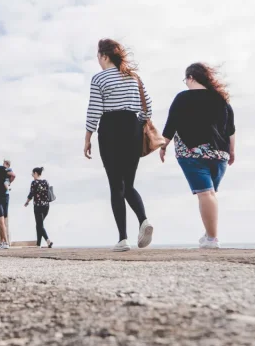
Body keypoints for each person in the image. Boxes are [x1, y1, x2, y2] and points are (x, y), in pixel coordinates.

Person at [84, 38, 154, 252]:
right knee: (129, 184)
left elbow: (94, 110)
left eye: (98, 55)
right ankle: (143, 221)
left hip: (110, 128)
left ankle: (123, 239)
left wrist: (87, 138)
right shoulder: (134, 78)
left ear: (104, 56)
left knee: (116, 185)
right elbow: (148, 108)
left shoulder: (99, 78)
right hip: (132, 126)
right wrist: (136, 124)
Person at [159, 63, 236, 249]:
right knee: (209, 194)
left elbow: (171, 125)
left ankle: (212, 239)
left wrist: (163, 146)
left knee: (205, 194)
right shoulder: (222, 100)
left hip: (192, 153)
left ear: (191, 77)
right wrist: (232, 152)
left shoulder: (183, 97)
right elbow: (231, 130)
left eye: (186, 79)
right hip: (220, 155)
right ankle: (209, 233)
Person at [24, 167, 53, 248]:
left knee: (39, 225)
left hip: (38, 206)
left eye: (33, 173)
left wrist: (27, 202)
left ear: (36, 173)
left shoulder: (34, 183)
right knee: (39, 224)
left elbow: (31, 194)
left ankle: (48, 241)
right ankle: (38, 244)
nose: (32, 175)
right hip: (46, 206)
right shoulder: (46, 182)